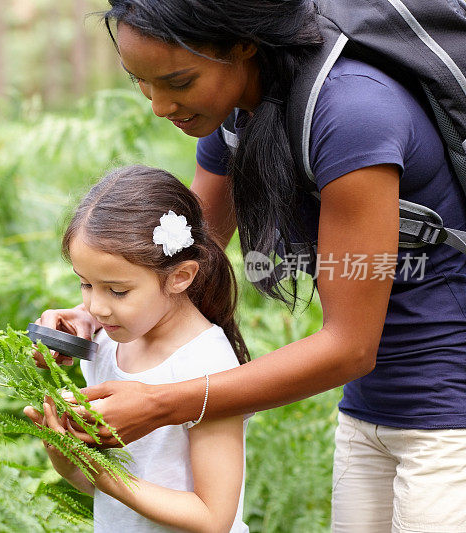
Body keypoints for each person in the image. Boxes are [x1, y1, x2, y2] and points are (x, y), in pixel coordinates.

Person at [33, 1, 466, 532]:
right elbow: (176, 266)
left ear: (241, 45)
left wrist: (163, 404)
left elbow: (351, 345)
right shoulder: (236, 113)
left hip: (449, 412)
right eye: (142, 82)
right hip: (370, 408)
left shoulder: (351, 114)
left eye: (178, 80)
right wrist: (96, 312)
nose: (160, 105)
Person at [25, 165, 250, 532]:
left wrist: (102, 473)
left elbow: (214, 517)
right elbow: (110, 491)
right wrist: (67, 457)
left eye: (117, 290)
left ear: (180, 277)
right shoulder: (107, 343)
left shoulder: (206, 364)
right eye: (85, 284)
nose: (95, 308)